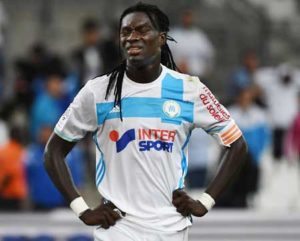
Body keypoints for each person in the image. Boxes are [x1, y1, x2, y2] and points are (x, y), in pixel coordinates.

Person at [44, 3, 247, 241]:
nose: (132, 37)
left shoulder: (189, 89)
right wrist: (82, 210)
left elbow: (237, 144)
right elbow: (53, 152)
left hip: (170, 230)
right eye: (126, 32)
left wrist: (205, 201)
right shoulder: (97, 92)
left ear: (161, 39)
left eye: (141, 30)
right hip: (117, 231)